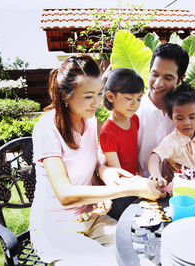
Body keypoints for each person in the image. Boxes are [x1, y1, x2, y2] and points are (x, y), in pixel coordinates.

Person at [30, 55, 165, 265]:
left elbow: (93, 159)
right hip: (56, 228)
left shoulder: (90, 121)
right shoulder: (47, 128)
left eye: (99, 94)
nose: (96, 102)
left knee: (145, 250)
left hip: (92, 218)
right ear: (65, 95)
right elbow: (65, 194)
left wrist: (104, 170)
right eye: (88, 96)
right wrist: (132, 189)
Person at [136, 43, 195, 179]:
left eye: (168, 78)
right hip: (142, 191)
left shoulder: (194, 113)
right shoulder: (133, 110)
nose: (157, 84)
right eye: (155, 74)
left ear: (181, 79)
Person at [148, 84, 195, 183]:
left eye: (192, 117)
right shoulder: (171, 141)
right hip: (177, 191)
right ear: (171, 118)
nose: (186, 123)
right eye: (180, 118)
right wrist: (156, 176)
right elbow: (154, 158)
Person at [99, 68, 144, 220]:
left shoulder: (134, 120)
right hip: (118, 192)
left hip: (133, 182)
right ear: (111, 97)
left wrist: (142, 174)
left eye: (139, 98)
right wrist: (140, 185)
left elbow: (134, 152)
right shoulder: (108, 132)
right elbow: (116, 172)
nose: (135, 104)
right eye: (129, 98)